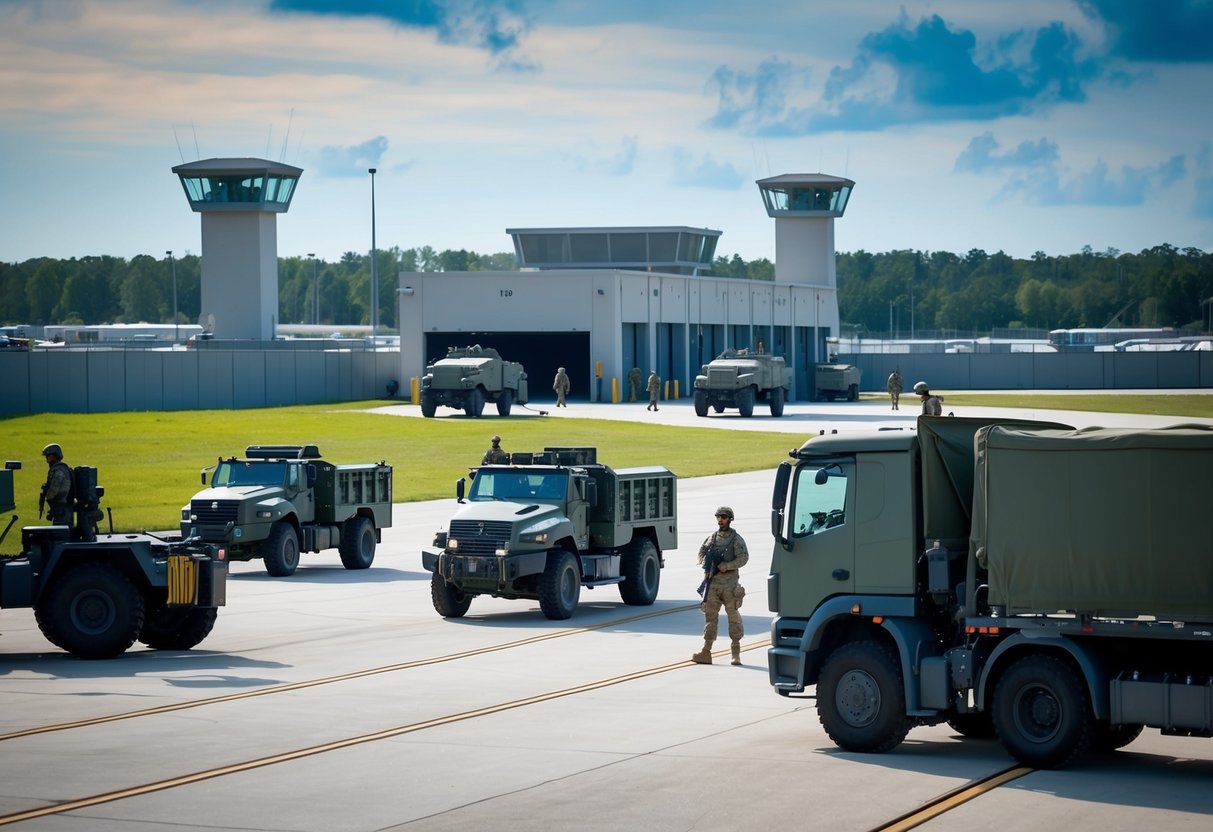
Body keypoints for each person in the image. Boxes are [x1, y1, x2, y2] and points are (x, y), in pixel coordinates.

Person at [692, 506, 748, 666]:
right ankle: (706, 651)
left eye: (724, 517)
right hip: (714, 584)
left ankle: (736, 653)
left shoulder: (736, 539)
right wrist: (707, 570)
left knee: (733, 617)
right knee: (710, 618)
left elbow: (744, 558)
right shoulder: (713, 538)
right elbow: (704, 555)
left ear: (730, 519)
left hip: (729, 584)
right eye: (718, 517)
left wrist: (728, 565)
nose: (720, 520)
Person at [40, 443, 73, 526]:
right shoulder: (62, 469)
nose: (47, 460)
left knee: (59, 535)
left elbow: (53, 491)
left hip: (61, 510)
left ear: (53, 456)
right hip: (64, 509)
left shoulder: (59, 471)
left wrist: (47, 495)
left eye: (47, 456)